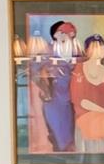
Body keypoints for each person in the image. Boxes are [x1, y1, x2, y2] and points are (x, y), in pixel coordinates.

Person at [33, 19, 79, 152]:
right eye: (62, 33)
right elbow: (35, 67)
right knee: (57, 128)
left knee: (71, 128)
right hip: (54, 95)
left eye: (70, 34)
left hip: (73, 94)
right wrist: (45, 74)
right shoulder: (48, 49)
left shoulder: (74, 49)